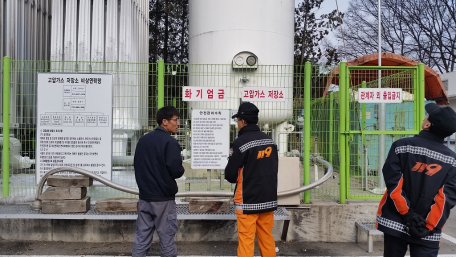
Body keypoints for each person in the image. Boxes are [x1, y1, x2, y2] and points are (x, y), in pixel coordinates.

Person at [376, 103, 456, 257]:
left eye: (427, 116)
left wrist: (407, 213)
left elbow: (394, 183)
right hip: (427, 229)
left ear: (427, 124)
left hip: (395, 221)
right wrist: (429, 225)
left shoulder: (401, 146)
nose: (425, 116)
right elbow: (446, 198)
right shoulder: (452, 161)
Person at [225, 102, 279, 257]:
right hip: (268, 198)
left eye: (237, 121)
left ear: (243, 121)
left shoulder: (240, 143)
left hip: (247, 199)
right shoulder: (270, 141)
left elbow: (230, 174)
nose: (237, 124)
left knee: (246, 238)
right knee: (266, 237)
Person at [132, 106, 185, 257]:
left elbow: (137, 165)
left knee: (142, 237)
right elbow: (176, 170)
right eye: (175, 120)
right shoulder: (169, 142)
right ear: (165, 122)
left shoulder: (143, 140)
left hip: (145, 197)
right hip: (163, 199)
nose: (178, 123)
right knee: (167, 238)